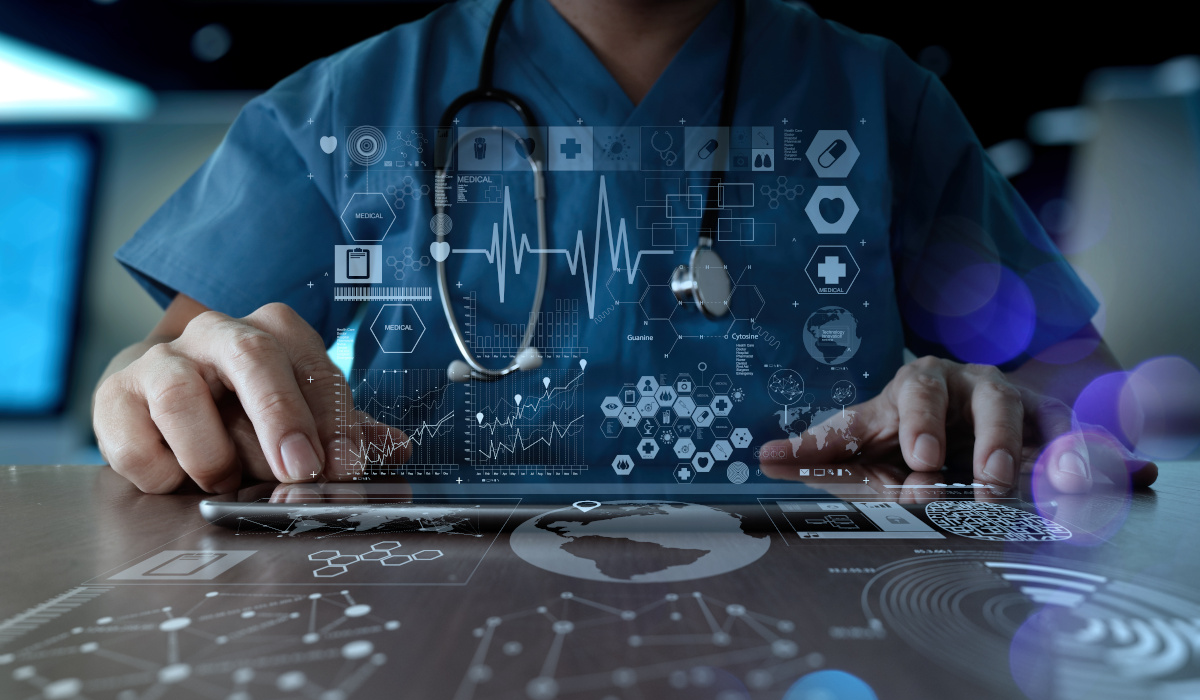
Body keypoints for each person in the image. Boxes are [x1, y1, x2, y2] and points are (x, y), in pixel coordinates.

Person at [92, 0, 1156, 494]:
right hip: (433, 652)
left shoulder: (880, 101)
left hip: (838, 660)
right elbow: (186, 376)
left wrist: (1003, 406)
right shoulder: (350, 103)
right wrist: (163, 384)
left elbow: (1099, 410)